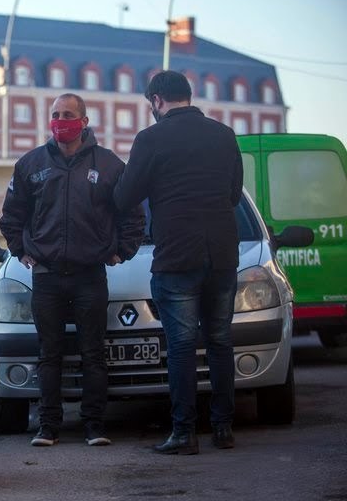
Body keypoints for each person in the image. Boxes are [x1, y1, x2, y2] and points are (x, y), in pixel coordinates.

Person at [0, 93, 145, 448]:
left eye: (67, 114)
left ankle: (94, 425)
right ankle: (48, 427)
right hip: (46, 276)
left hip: (89, 276)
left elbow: (133, 214)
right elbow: (11, 216)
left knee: (93, 352)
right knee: (49, 353)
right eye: (54, 114)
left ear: (84, 120)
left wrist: (120, 252)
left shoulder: (109, 165)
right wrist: (21, 252)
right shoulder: (31, 164)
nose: (59, 120)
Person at [113, 71, 243, 455]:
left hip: (177, 257)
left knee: (183, 347)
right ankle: (224, 429)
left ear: (155, 101)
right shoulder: (223, 135)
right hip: (222, 254)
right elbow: (234, 193)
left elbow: (124, 197)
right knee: (220, 342)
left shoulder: (151, 139)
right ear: (188, 96)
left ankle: (184, 434)